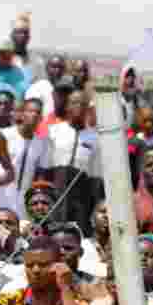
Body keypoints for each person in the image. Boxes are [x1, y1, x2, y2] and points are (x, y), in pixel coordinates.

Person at [44, 90, 101, 232]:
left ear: (87, 109)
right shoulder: (54, 132)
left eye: (82, 104)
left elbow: (96, 176)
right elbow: (46, 167)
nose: (78, 107)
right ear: (67, 107)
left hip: (81, 194)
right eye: (74, 103)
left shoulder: (95, 138)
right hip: (56, 190)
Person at [0, 98, 51, 219]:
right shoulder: (4, 135)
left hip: (24, 196)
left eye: (38, 112)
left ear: (41, 118)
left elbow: (41, 173)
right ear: (21, 114)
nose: (34, 115)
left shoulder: (42, 143)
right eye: (31, 111)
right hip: (1, 192)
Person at [24, 54, 66, 119]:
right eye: (54, 67)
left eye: (60, 67)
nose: (57, 70)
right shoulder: (37, 87)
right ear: (47, 68)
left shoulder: (66, 89)